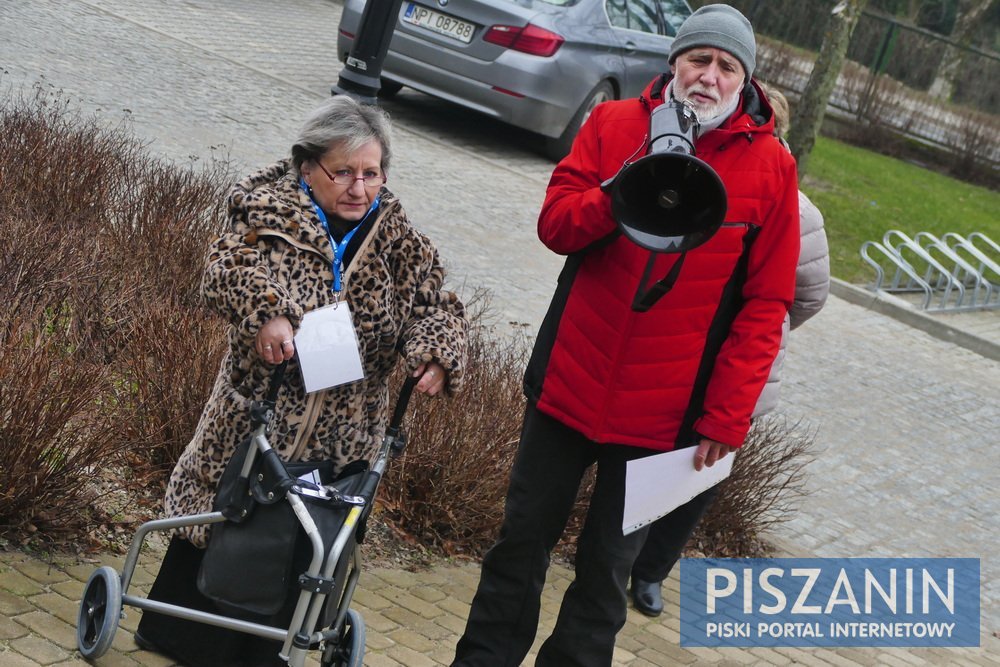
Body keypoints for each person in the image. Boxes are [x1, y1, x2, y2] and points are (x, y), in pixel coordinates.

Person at [451, 5, 800, 666]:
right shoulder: (614, 125)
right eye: (699, 58)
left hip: (661, 423)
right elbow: (556, 225)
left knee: (606, 581)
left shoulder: (772, 170)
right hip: (567, 386)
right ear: (675, 62)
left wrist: (725, 419)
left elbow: (766, 305)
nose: (709, 75)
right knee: (517, 549)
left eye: (727, 66)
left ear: (744, 81)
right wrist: (621, 189)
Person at [135, 95, 469, 667]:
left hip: (346, 432)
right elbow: (226, 268)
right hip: (255, 414)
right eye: (343, 172)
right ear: (307, 166)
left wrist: (435, 352)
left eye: (371, 173)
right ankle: (179, 637)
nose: (359, 188)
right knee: (229, 520)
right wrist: (267, 310)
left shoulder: (398, 239)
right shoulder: (266, 211)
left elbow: (440, 307)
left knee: (305, 537)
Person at [629, 83, 831, 618]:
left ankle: (650, 573)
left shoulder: (800, 211)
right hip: (681, 351)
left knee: (700, 475)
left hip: (745, 368)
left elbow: (807, 294)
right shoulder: (696, 178)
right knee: (656, 461)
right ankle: (628, 560)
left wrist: (762, 329)